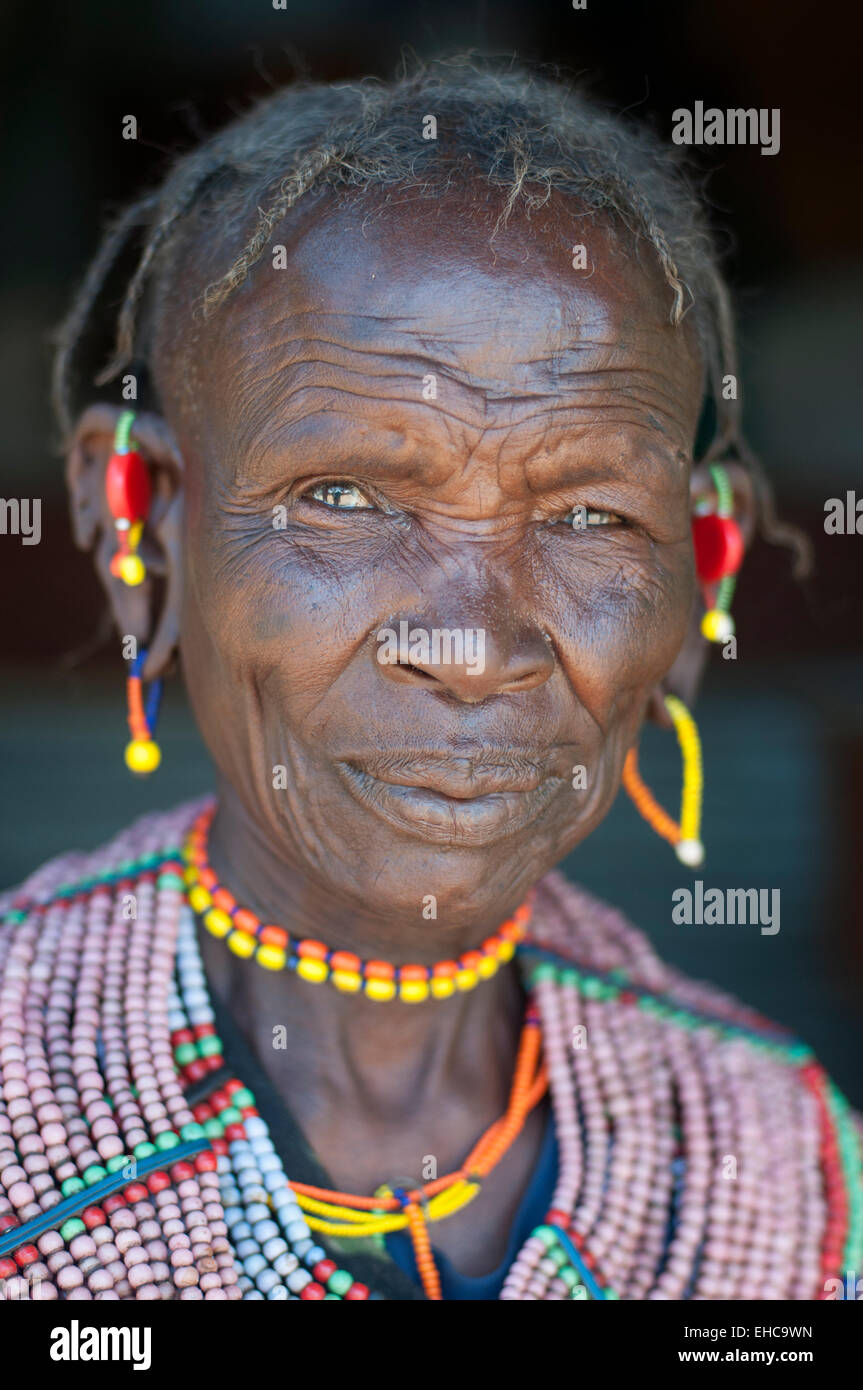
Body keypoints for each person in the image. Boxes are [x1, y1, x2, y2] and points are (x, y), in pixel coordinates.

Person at [1, 56, 858, 1303]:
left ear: (703, 568)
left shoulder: (778, 1167)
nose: (471, 646)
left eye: (585, 517)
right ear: (137, 522)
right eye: (339, 497)